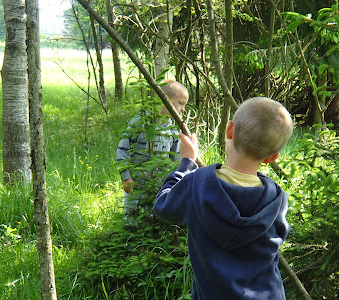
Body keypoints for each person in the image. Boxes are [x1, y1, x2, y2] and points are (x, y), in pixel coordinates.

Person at [153, 97, 294, 300]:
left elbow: (162, 205)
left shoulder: (196, 185)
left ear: (229, 130)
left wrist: (186, 163)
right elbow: (280, 236)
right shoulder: (277, 199)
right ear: (273, 157)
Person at [116, 79, 189, 218]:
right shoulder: (140, 122)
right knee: (133, 216)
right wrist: (126, 177)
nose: (183, 109)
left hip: (160, 185)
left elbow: (175, 158)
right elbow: (123, 149)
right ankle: (130, 238)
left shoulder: (172, 129)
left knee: (155, 215)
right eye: (181, 103)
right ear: (165, 100)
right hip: (136, 185)